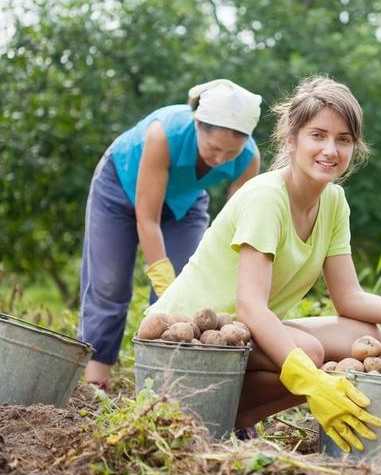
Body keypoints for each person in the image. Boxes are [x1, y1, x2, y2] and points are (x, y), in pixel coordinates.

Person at [148, 76, 381, 451]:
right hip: (178, 347)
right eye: (318, 135)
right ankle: (211, 415)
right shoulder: (265, 197)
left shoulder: (334, 201)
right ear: (291, 140)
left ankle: (237, 419)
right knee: (308, 352)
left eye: (343, 140)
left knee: (365, 339)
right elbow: (250, 307)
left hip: (237, 341)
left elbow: (349, 298)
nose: (331, 149)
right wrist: (308, 379)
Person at [78, 79, 263, 387]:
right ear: (197, 124)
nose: (220, 159)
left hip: (184, 203)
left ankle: (166, 384)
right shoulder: (163, 134)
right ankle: (95, 381)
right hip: (119, 191)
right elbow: (147, 219)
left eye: (230, 153)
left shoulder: (248, 158)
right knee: (109, 285)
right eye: (214, 148)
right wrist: (164, 281)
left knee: (186, 287)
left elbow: (236, 226)